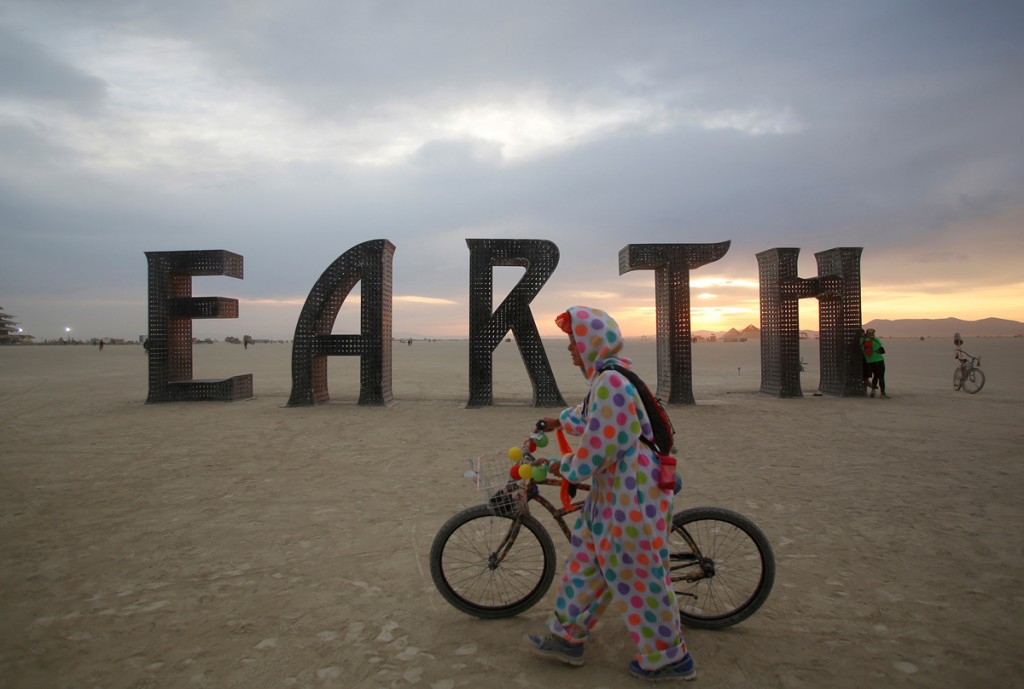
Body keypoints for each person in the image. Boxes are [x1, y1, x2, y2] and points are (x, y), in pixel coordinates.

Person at [524, 306, 696, 681]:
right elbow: (591, 417)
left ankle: (668, 658)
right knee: (586, 562)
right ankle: (566, 636)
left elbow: (604, 442)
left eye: (574, 340)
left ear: (591, 342)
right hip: (613, 497)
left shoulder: (612, 383)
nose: (570, 348)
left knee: (639, 575)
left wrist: (565, 467)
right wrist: (560, 421)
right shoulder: (606, 379)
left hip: (631, 496)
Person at [860, 328, 887, 398]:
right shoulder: (876, 340)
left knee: (875, 376)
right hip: (879, 360)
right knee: (881, 377)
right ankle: (882, 393)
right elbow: (881, 346)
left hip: (870, 362)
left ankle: (873, 392)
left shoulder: (862, 341)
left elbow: (860, 346)